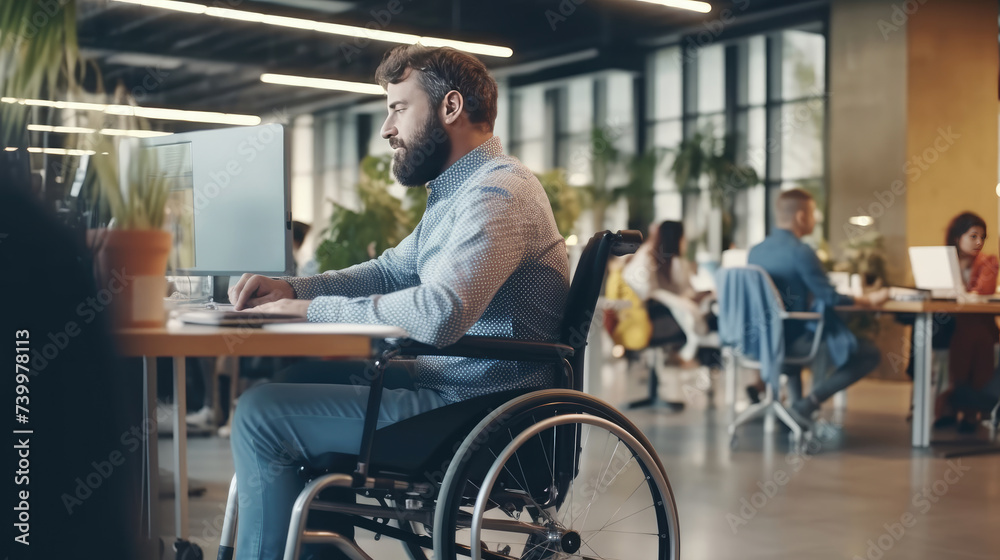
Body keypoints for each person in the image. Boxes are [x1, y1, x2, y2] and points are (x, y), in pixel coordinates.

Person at [226, 45, 570, 559]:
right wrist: (296, 289)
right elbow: (390, 269)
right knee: (286, 386)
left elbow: (440, 312)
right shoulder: (460, 192)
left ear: (450, 108)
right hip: (454, 385)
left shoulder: (498, 194)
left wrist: (311, 310)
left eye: (398, 107)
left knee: (260, 414)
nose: (387, 128)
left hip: (477, 410)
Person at [748, 188, 888, 425]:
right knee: (869, 353)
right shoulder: (800, 252)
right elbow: (831, 298)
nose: (815, 219)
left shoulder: (756, 251)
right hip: (792, 341)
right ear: (801, 217)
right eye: (813, 214)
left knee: (801, 327)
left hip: (760, 340)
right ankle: (807, 404)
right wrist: (868, 300)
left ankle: (796, 408)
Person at [940, 212, 999, 432]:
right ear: (957, 237)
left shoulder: (988, 261)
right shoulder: (943, 261)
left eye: (982, 237)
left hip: (976, 325)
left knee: (973, 331)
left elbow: (983, 290)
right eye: (973, 236)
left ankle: (955, 402)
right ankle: (970, 406)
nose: (979, 242)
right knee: (962, 332)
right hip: (947, 324)